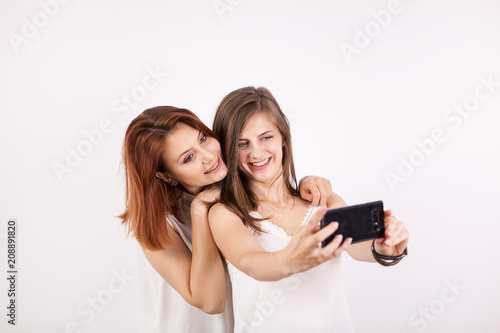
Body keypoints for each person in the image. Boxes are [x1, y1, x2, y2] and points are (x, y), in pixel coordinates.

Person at [119, 106, 345, 333]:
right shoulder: (158, 224)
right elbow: (211, 301)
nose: (208, 156)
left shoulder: (226, 189)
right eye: (189, 157)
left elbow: (271, 181)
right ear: (166, 175)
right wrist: (199, 211)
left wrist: (306, 182)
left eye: (203, 138)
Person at [209, 86, 410, 332]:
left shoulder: (323, 201)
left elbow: (358, 247)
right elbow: (252, 263)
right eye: (242, 144)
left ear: (283, 137)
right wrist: (295, 256)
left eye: (266, 137)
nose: (256, 152)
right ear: (229, 150)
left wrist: (384, 247)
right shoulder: (226, 214)